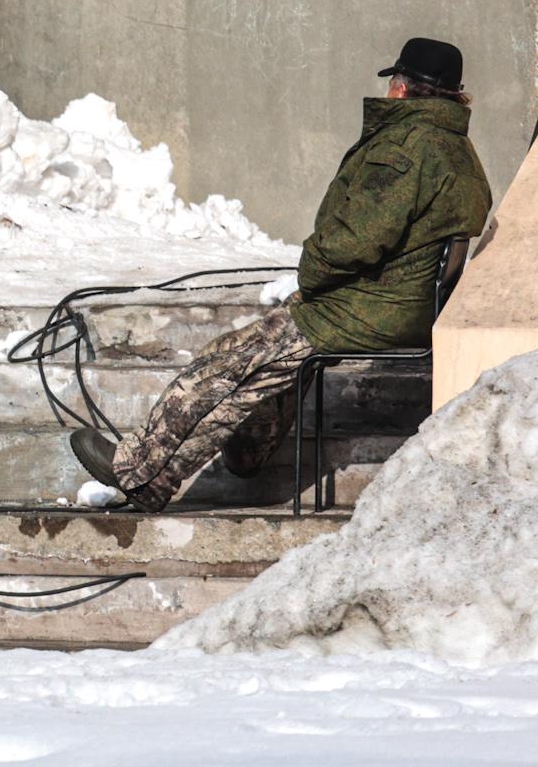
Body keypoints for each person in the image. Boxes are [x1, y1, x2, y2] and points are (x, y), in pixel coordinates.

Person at [71, 36, 492, 511]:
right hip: (402, 306)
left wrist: (310, 272)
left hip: (366, 308)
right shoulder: (459, 152)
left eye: (394, 82)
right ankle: (239, 454)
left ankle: (137, 468)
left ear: (404, 88)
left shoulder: (409, 148)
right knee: (263, 368)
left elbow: (356, 238)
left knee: (225, 361)